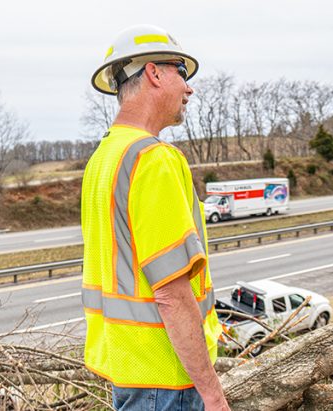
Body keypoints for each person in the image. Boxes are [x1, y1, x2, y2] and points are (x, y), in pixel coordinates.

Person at [80, 24, 229, 411]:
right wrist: (212, 394)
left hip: (129, 370)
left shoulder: (104, 159)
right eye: (182, 71)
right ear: (154, 73)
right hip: (167, 380)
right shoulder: (153, 159)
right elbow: (171, 293)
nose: (189, 88)